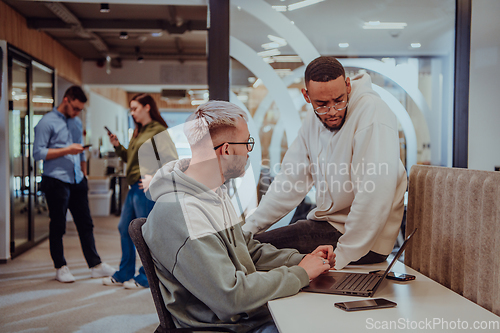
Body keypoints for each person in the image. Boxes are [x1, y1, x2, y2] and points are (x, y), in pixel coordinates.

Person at [143, 101, 335, 333]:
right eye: (247, 143)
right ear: (226, 150)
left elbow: (249, 252)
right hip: (225, 327)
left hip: (247, 316)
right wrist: (300, 274)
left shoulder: (214, 192)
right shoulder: (181, 212)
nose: (248, 151)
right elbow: (231, 296)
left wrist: (303, 261)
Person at [242, 56, 407, 270]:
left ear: (348, 86)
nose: (332, 111)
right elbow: (289, 183)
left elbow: (374, 193)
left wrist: (341, 257)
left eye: (339, 100)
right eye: (322, 104)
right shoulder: (313, 121)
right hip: (327, 226)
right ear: (307, 96)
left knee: (252, 253)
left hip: (364, 242)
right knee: (249, 247)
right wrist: (248, 229)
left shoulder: (372, 112)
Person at [33, 86, 115, 283]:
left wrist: (84, 172)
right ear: (66, 99)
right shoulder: (46, 122)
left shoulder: (76, 123)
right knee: (58, 225)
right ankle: (60, 266)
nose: (78, 113)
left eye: (80, 109)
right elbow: (38, 153)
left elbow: (80, 150)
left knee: (86, 223)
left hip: (77, 179)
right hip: (56, 180)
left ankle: (95, 265)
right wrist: (66, 150)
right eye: (76, 108)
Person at [103, 93, 178, 289]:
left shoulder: (158, 131)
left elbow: (171, 160)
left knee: (147, 233)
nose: (132, 113)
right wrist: (118, 146)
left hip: (147, 189)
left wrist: (154, 177)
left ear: (147, 107)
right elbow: (130, 158)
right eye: (131, 109)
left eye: (135, 108)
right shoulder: (139, 131)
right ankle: (124, 273)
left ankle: (146, 277)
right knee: (124, 228)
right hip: (134, 188)